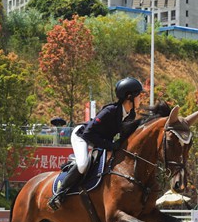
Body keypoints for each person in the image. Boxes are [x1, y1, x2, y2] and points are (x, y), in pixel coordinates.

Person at [48, 77, 144, 210]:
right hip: (82, 136)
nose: (141, 99)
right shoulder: (110, 111)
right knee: (83, 164)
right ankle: (59, 194)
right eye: (139, 95)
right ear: (129, 97)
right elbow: (88, 133)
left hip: (100, 140)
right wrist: (110, 145)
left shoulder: (130, 115)